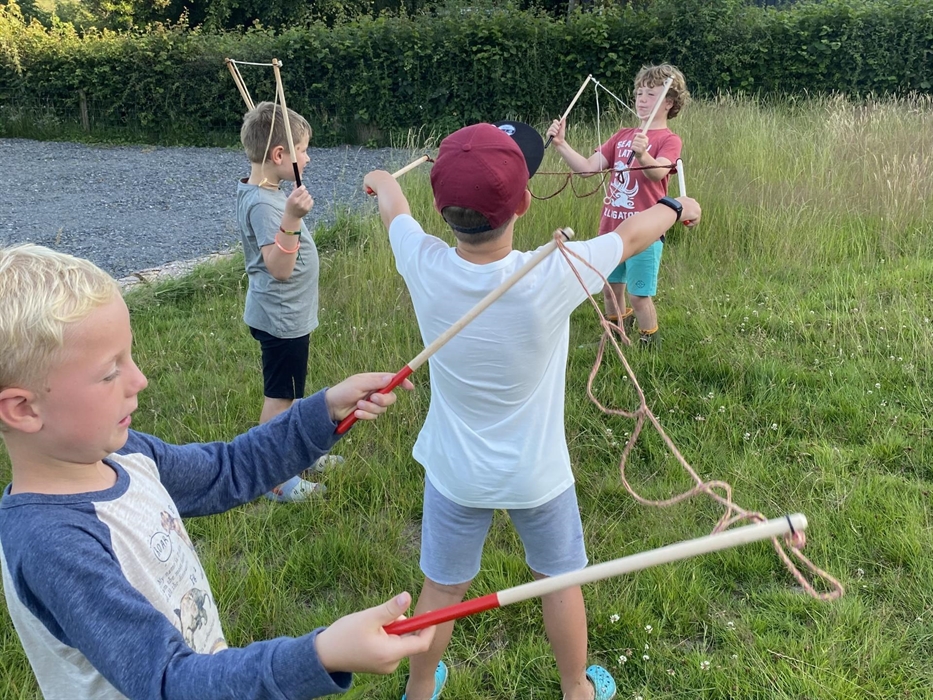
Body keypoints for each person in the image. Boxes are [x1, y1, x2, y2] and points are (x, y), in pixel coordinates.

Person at [0, 244, 433, 699]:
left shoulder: (125, 454)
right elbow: (167, 681)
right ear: (24, 409)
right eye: (110, 373)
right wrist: (321, 655)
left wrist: (321, 411)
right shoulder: (53, 543)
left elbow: (226, 470)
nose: (139, 380)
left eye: (130, 358)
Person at [363, 121, 700, 700]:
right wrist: (676, 204)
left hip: (455, 472)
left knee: (441, 590)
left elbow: (395, 209)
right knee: (561, 582)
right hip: (538, 475)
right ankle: (576, 689)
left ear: (442, 208)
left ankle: (420, 689)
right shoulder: (554, 271)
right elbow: (634, 234)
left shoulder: (424, 262)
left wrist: (379, 180)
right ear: (523, 201)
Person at [236, 100, 341, 502]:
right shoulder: (265, 203)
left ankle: (300, 454)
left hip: (288, 316)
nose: (308, 157)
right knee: (279, 400)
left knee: (292, 393)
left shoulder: (264, 189)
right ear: (279, 155)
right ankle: (274, 479)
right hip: (280, 319)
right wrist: (293, 218)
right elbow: (279, 267)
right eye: (302, 149)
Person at [547, 63, 691, 348]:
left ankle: (649, 343)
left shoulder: (668, 139)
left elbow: (659, 172)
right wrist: (561, 144)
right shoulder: (623, 135)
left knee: (639, 295)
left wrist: (643, 155)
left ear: (669, 103)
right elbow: (588, 169)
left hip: (646, 233)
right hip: (613, 229)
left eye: (650, 94)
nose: (641, 99)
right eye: (638, 93)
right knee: (611, 288)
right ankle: (615, 337)